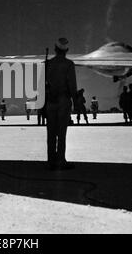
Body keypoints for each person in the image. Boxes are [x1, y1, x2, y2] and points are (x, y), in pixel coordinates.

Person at [45, 38, 77, 170]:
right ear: (67, 50)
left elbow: (43, 84)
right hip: (63, 101)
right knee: (61, 133)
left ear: (55, 49)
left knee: (51, 133)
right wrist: (75, 101)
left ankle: (51, 161)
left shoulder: (48, 63)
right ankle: (60, 161)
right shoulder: (69, 64)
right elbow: (72, 84)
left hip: (50, 101)